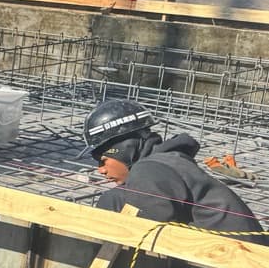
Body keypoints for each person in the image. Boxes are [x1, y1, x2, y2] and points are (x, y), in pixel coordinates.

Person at [82, 99, 263, 233]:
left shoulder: (150, 170)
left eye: (103, 160)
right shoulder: (167, 162)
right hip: (234, 260)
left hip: (238, 263)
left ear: (125, 149)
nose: (100, 170)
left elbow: (143, 235)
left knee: (112, 201)